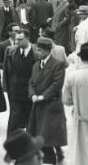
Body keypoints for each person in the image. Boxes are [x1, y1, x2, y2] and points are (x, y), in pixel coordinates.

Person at [27, 37, 67, 165]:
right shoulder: (35, 65)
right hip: (38, 106)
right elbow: (31, 82)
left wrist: (43, 97)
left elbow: (56, 85)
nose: (36, 52)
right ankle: (54, 156)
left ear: (47, 51)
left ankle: (54, 158)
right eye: (36, 50)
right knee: (42, 136)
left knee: (48, 136)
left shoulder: (57, 65)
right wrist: (32, 95)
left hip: (50, 105)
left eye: (39, 50)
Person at [4, 29, 36, 136]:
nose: (16, 42)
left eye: (20, 39)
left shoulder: (36, 52)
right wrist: (7, 89)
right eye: (16, 39)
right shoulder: (10, 51)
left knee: (31, 123)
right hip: (15, 94)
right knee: (13, 122)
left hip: (30, 94)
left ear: (28, 39)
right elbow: (7, 73)